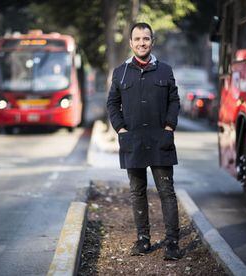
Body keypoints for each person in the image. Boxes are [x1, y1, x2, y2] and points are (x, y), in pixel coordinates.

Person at [107, 22, 181, 260]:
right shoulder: (120, 73)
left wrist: (169, 127)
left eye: (146, 39)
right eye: (137, 39)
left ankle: (172, 244)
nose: (142, 43)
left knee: (166, 192)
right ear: (130, 43)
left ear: (152, 41)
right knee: (137, 193)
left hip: (161, 140)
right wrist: (120, 129)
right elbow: (112, 104)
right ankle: (143, 241)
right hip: (133, 142)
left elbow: (174, 100)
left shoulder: (165, 70)